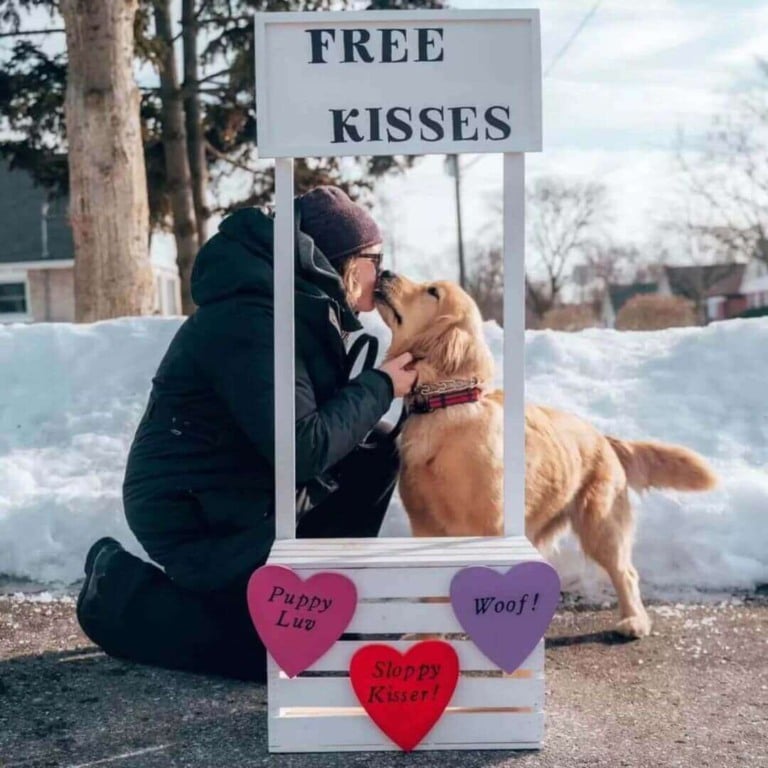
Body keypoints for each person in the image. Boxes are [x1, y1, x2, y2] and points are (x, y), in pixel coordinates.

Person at [76, 186, 416, 681]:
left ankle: (320, 596)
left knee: (376, 449)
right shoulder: (253, 320)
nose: (382, 272)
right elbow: (301, 449)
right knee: (284, 653)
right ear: (342, 262)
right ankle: (119, 596)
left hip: (242, 493)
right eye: (375, 258)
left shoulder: (294, 308)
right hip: (198, 513)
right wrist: (382, 383)